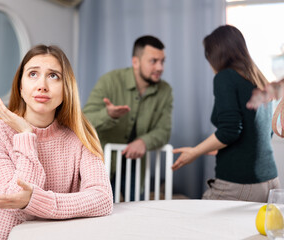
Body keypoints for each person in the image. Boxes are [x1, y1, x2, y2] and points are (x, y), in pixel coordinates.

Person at [0, 44, 113, 240]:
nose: (42, 85)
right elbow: (14, 200)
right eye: (33, 74)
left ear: (66, 89)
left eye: (53, 76)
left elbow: (102, 200)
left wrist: (36, 199)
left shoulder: (80, 137)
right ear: (20, 87)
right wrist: (25, 134)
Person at [172, 25, 280, 202]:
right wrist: (212, 148)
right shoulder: (259, 80)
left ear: (215, 56)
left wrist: (194, 153)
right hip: (270, 181)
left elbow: (230, 131)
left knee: (195, 223)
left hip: (240, 181)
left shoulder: (225, 77)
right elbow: (260, 133)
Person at [83, 35, 173, 200]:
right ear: (135, 62)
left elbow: (164, 131)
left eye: (162, 61)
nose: (160, 67)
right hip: (103, 164)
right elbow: (84, 121)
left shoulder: (165, 91)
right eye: (153, 61)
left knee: (137, 213)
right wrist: (107, 114)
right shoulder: (109, 81)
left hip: (136, 166)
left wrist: (144, 142)